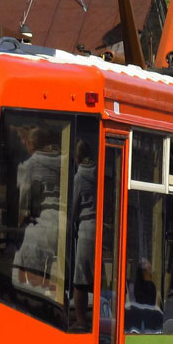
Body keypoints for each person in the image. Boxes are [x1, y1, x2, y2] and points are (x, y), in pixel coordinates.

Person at [13, 125, 63, 294]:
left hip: (43, 221)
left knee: (32, 278)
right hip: (63, 222)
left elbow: (24, 199)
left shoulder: (30, 165)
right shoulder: (62, 161)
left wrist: (21, 220)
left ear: (30, 145)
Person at [71, 139, 97, 326]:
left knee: (81, 279)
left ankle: (81, 320)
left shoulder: (79, 177)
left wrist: (70, 224)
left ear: (77, 157)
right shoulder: (99, 172)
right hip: (100, 229)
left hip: (86, 228)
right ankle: (97, 318)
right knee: (96, 277)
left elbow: (74, 206)